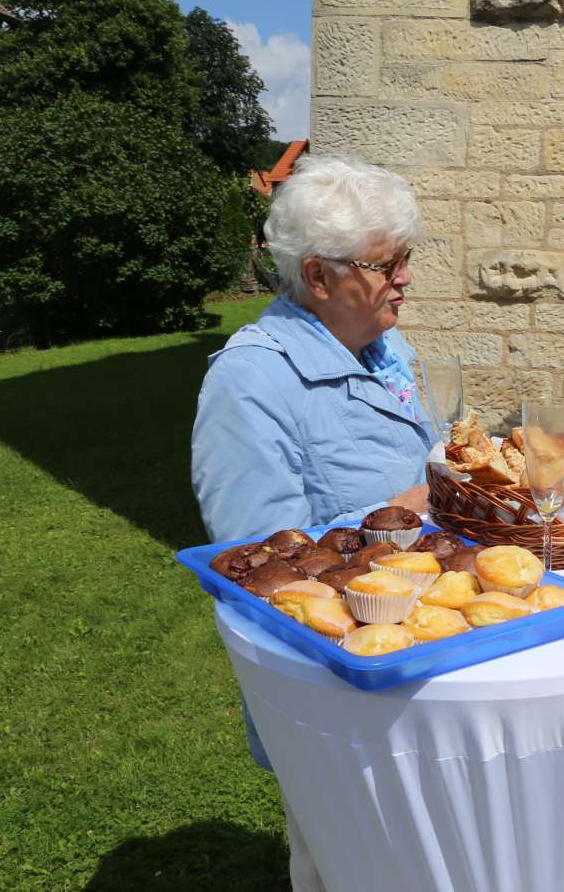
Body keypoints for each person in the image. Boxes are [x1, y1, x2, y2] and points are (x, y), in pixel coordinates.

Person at [190, 153, 437, 892]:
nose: (406, 278)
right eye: (387, 264)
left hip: (411, 648)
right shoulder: (251, 379)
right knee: (351, 865)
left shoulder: (388, 350)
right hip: (333, 686)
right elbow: (258, 566)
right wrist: (401, 514)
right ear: (318, 277)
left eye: (406, 258)